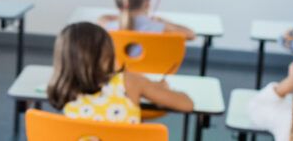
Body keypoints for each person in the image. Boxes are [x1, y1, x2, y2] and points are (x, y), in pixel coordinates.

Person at [47, 22, 193, 123]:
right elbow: (187, 104)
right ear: (107, 53)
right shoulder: (130, 82)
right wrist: (161, 89)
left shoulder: (63, 88)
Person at [97, 0, 195, 40]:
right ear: (147, 2)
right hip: (150, 72)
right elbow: (190, 34)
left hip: (117, 72)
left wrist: (121, 17)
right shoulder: (158, 28)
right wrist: (162, 21)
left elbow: (103, 19)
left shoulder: (106, 26)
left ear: (118, 5)